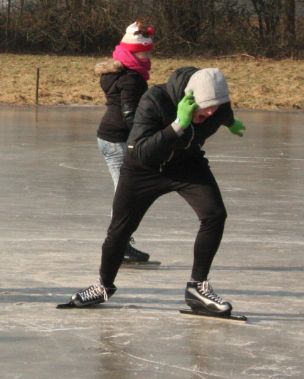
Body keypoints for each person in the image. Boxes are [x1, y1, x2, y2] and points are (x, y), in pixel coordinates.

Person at [64, 66, 246, 314]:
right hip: (143, 169)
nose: (211, 112)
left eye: (216, 106)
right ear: (190, 97)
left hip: (186, 163)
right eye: (206, 106)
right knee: (120, 229)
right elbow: (141, 151)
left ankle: (197, 288)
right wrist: (177, 125)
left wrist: (231, 122)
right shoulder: (154, 101)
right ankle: (103, 286)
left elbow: (223, 112)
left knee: (214, 215)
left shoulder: (218, 107)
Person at [95, 21, 153, 264]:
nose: (148, 56)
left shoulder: (115, 73)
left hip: (107, 136)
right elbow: (130, 114)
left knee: (124, 192)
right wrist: (142, 139)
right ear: (133, 52)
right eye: (144, 52)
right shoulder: (132, 79)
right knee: (125, 194)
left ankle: (121, 242)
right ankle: (120, 245)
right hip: (118, 139)